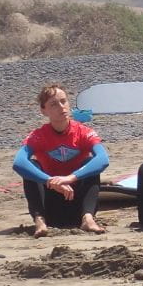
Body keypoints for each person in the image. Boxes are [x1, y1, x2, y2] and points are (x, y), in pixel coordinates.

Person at [12, 84, 109, 236]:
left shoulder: (83, 132)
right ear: (43, 111)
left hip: (77, 201)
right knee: (32, 165)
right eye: (54, 104)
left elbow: (103, 159)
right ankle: (39, 220)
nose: (61, 107)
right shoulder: (38, 135)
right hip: (51, 204)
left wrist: (70, 178)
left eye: (63, 101)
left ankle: (88, 219)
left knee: (89, 162)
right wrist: (50, 181)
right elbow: (19, 163)